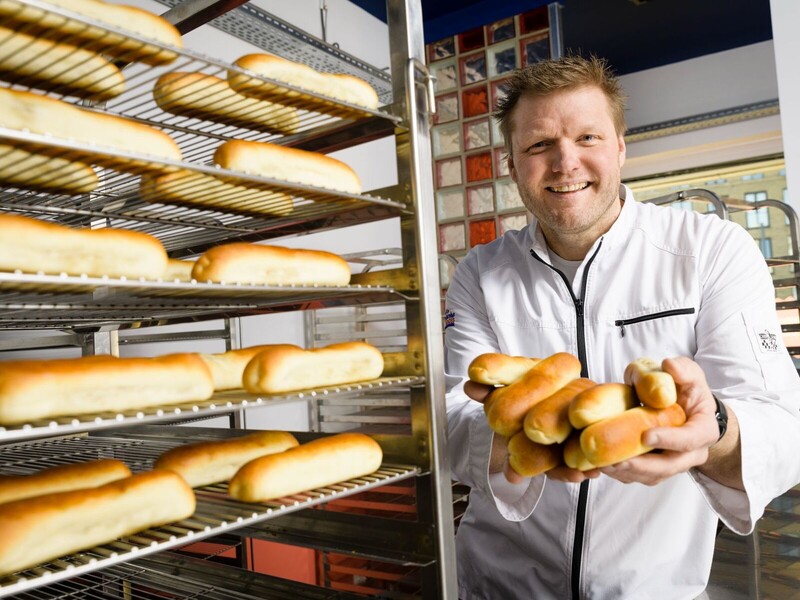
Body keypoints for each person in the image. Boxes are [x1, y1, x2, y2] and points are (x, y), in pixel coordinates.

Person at [443, 54, 800, 600]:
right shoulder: (480, 272)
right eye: (539, 145)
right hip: (500, 584)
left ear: (620, 148)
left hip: (653, 589)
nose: (566, 162)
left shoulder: (709, 250)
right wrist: (539, 431)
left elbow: (781, 421)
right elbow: (451, 417)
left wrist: (713, 428)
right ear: (512, 164)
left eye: (587, 137)